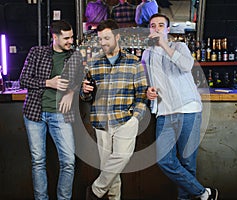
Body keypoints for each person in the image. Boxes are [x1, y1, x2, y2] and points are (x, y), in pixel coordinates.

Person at [142, 13, 218, 200]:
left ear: (168, 29)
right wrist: (147, 91)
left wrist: (164, 45)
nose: (157, 28)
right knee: (164, 160)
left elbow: (186, 65)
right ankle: (204, 193)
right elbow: (146, 81)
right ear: (149, 29)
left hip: (188, 110)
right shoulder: (146, 54)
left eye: (161, 25)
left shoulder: (179, 46)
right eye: (153, 25)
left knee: (187, 162)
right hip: (164, 113)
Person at [80, 19, 148, 200]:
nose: (102, 43)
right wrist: (84, 91)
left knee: (120, 159)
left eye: (107, 38)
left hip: (125, 119)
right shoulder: (93, 63)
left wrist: (135, 118)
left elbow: (142, 93)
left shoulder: (134, 62)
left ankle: (95, 190)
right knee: (110, 169)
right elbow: (86, 94)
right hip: (100, 121)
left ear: (117, 37)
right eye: (100, 39)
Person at [19, 20, 83, 200]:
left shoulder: (75, 56)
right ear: (55, 37)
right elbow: (23, 80)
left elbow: (81, 79)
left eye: (72, 37)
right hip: (35, 113)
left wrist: (71, 92)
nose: (71, 41)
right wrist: (49, 83)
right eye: (67, 38)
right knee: (38, 161)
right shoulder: (37, 52)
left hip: (60, 114)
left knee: (68, 162)